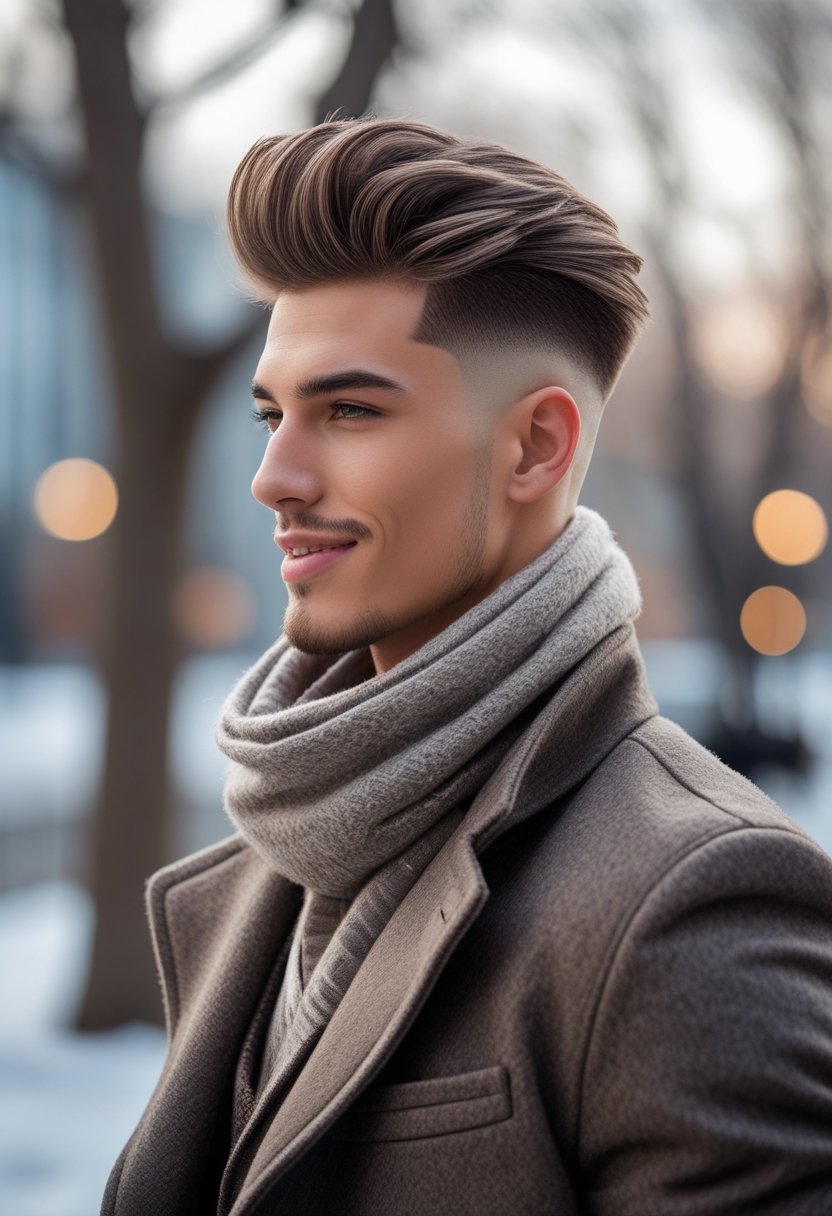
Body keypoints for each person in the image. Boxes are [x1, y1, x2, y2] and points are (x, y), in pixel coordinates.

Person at [103, 118, 832, 1216]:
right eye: (270, 414)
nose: (274, 476)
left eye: (348, 409)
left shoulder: (695, 900)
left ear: (536, 446)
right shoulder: (289, 846)